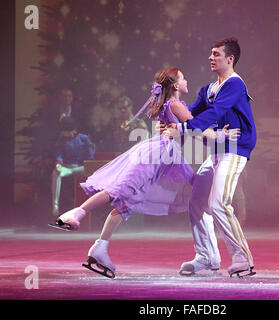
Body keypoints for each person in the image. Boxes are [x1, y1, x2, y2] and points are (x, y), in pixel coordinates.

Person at [49, 67, 240, 278]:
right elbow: (195, 128)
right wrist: (222, 135)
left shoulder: (170, 105)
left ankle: (99, 248)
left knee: (128, 201)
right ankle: (76, 213)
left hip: (163, 159)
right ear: (176, 85)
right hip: (155, 157)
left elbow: (183, 128)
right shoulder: (175, 104)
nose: (187, 81)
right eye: (183, 78)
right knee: (120, 190)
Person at [164, 37, 257, 278]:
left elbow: (215, 112)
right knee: (196, 202)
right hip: (216, 152)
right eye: (211, 53)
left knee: (218, 203)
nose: (211, 57)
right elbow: (191, 113)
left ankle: (243, 259)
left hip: (235, 150)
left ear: (230, 59)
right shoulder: (208, 89)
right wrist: (168, 117)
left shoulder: (235, 85)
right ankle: (207, 256)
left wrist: (183, 130)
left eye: (216, 54)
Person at [51, 117, 95, 216]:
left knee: (84, 170)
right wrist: (58, 164)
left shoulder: (84, 139)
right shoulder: (61, 140)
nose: (63, 134)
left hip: (81, 168)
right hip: (67, 168)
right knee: (55, 173)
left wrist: (86, 163)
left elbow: (90, 156)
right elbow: (59, 154)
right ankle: (55, 205)